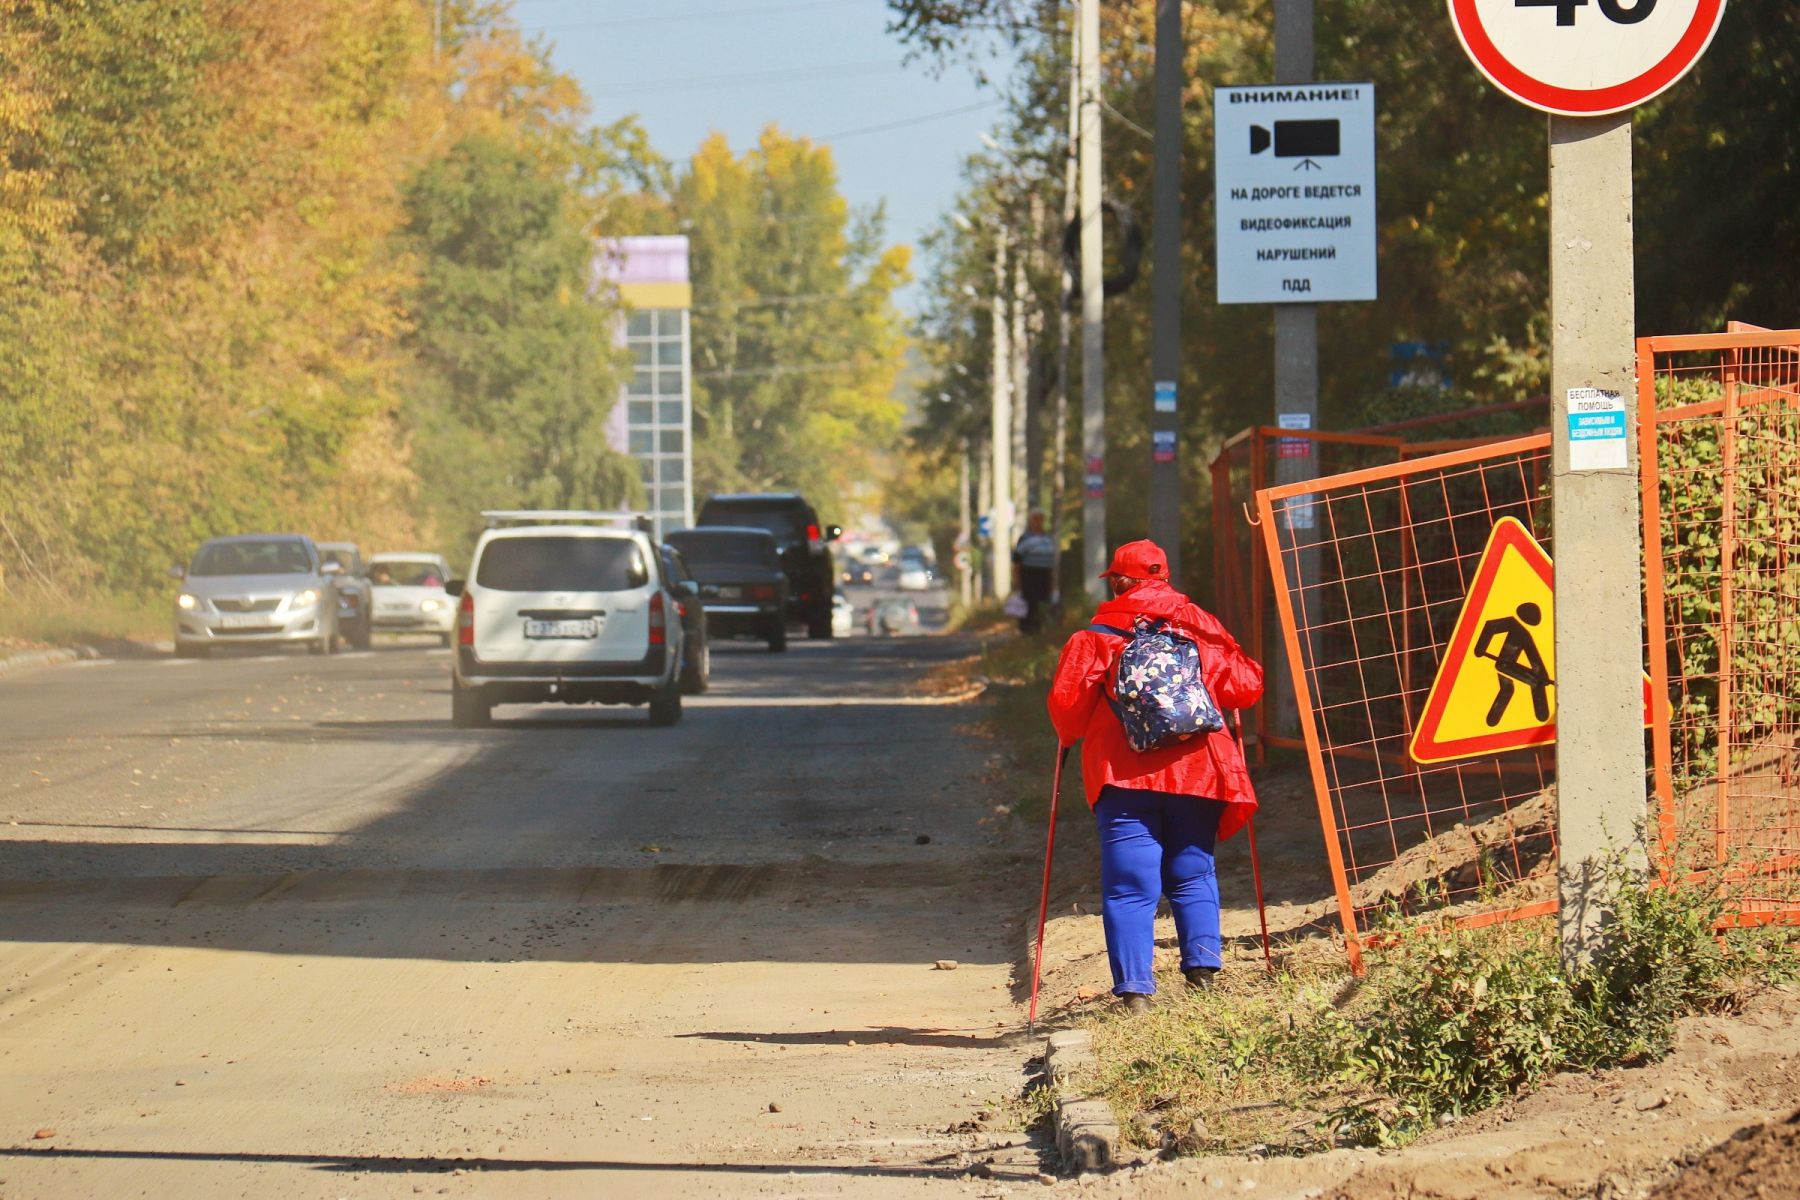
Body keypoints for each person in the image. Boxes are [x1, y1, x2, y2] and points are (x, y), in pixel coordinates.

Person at [1046, 539, 1264, 1014]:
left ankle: (1134, 994)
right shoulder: (1201, 628)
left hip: (1122, 778)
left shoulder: (1097, 636)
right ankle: (1203, 975)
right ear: (1163, 577)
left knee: (1129, 885)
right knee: (1192, 870)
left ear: (1120, 582)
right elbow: (1247, 687)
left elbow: (1067, 713)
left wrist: (1075, 732)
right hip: (1198, 773)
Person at [1011, 510, 1058, 634]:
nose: (1038, 522)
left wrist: (1052, 580)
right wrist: (1016, 579)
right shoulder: (1025, 538)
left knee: (1042, 603)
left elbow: (1051, 561)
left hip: (1044, 575)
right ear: (1030, 521)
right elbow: (1017, 560)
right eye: (1035, 519)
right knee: (1029, 604)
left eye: (1040, 519)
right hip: (1029, 576)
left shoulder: (1047, 538)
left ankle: (1039, 630)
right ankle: (1026, 631)